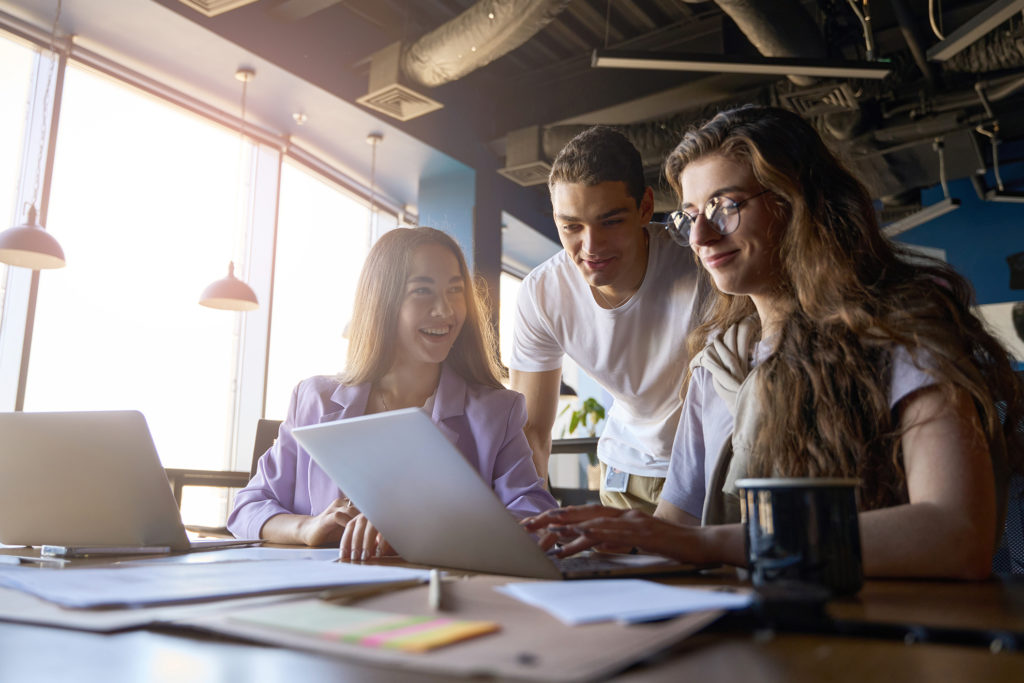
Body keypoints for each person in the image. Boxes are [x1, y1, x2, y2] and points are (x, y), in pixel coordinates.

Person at [523, 105, 1024, 579]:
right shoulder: (714, 361)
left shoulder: (902, 329)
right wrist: (590, 562)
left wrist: (712, 545)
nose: (699, 235)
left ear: (794, 200)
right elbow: (678, 530)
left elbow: (958, 535)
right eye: (690, 212)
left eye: (725, 205)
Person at [228, 227, 557, 558]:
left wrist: (423, 531)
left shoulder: (497, 412)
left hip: (435, 594)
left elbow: (537, 518)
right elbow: (247, 508)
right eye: (422, 291)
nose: (445, 310)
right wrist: (308, 527)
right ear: (383, 301)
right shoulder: (314, 399)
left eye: (455, 290)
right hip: (324, 593)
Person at [508, 125, 706, 513]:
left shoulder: (701, 264)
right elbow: (531, 432)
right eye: (571, 227)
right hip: (625, 472)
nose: (591, 247)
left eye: (610, 221)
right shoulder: (542, 294)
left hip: (707, 468)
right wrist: (530, 527)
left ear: (645, 208)